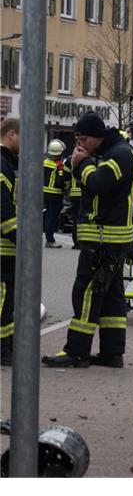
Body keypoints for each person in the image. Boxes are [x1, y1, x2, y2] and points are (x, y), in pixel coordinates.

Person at [41, 112, 133, 369]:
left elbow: (98, 183)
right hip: (107, 237)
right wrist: (80, 164)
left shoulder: (120, 154)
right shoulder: (105, 152)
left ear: (96, 136)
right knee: (111, 296)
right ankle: (112, 353)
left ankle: (77, 351)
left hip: (105, 238)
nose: (80, 145)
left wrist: (82, 164)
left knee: (86, 292)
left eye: (83, 139)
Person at [1, 118, 20, 366]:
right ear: (12, 135)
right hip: (4, 247)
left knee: (7, 302)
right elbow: (3, 209)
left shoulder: (8, 163)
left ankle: (8, 347)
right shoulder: (3, 165)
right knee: (3, 302)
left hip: (7, 247)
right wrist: (21, 238)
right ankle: (3, 351)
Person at [42, 138, 67, 248]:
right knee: (52, 217)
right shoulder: (59, 165)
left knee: (47, 216)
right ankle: (50, 240)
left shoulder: (45, 162)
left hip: (45, 193)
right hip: (55, 195)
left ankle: (49, 238)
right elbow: (60, 182)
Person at [62, 151, 84, 247]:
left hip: (74, 194)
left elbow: (65, 177)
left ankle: (76, 243)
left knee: (76, 219)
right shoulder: (90, 158)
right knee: (84, 219)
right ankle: (83, 242)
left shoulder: (70, 159)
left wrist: (67, 188)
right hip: (86, 193)